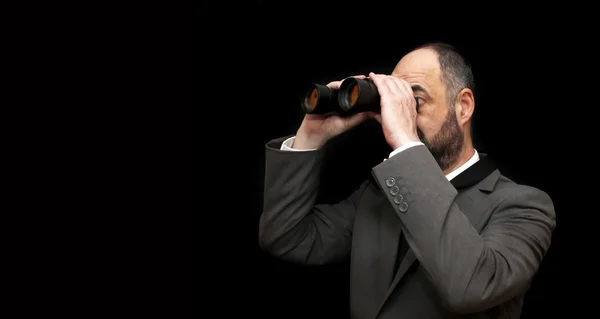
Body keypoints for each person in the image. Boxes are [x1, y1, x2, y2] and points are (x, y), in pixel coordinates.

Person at [258, 42, 556, 319]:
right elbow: (287, 238)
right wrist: (311, 136)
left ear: (463, 106)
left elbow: (473, 287)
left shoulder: (523, 206)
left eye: (413, 100)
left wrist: (405, 141)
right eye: (394, 102)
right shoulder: (377, 197)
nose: (398, 115)